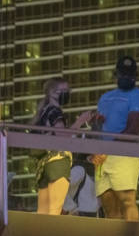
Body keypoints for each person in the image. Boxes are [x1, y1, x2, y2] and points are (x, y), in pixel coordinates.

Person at [92, 55, 139, 220]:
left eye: (130, 74)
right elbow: (97, 126)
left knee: (127, 200)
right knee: (108, 205)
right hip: (103, 156)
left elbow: (133, 129)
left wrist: (106, 150)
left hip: (124, 154)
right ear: (116, 74)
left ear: (135, 76)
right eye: (122, 73)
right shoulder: (105, 97)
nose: (126, 77)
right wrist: (96, 149)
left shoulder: (137, 96)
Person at [31, 76, 95, 214]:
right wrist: (81, 121)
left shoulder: (44, 112)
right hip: (57, 166)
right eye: (63, 90)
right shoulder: (54, 112)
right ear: (52, 93)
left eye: (68, 90)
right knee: (56, 211)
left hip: (44, 167)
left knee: (44, 212)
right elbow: (62, 137)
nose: (67, 93)